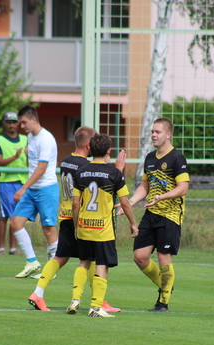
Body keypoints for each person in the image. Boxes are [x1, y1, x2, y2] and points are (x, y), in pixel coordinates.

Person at [27, 126, 125, 313]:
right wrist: (118, 170)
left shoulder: (66, 161)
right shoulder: (84, 167)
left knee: (61, 258)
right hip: (79, 218)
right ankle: (98, 301)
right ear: (89, 145)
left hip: (64, 215)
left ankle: (38, 293)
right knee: (92, 259)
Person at [67, 133, 138, 317]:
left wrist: (76, 226)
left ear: (90, 148)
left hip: (84, 226)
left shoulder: (80, 172)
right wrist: (133, 224)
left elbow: (75, 203)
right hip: (103, 230)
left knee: (83, 262)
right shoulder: (114, 173)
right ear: (108, 151)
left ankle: (75, 300)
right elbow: (124, 202)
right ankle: (96, 307)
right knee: (102, 264)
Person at [125, 117, 189, 313]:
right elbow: (144, 186)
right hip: (151, 213)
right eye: (152, 131)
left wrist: (162, 197)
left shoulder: (177, 158)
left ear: (168, 135)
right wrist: (130, 202)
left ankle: (163, 303)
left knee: (163, 257)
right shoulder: (150, 158)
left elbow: (183, 188)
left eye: (158, 132)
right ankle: (166, 285)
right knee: (140, 256)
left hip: (170, 215)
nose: (153, 134)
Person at [11, 106, 59, 278]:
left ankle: (51, 271)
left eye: (23, 122)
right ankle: (32, 262)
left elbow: (42, 168)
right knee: (15, 222)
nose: (21, 126)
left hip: (46, 189)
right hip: (32, 189)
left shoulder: (46, 138)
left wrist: (23, 188)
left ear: (33, 119)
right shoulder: (30, 137)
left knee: (48, 230)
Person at [0, 111, 30, 255]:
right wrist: (14, 157)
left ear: (18, 124)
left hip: (22, 182)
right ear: (4, 123)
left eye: (14, 122)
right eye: (9, 122)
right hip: (6, 182)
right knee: (4, 215)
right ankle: (1, 248)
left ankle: (13, 248)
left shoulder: (25, 139)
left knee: (17, 215)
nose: (12, 125)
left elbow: (30, 160)